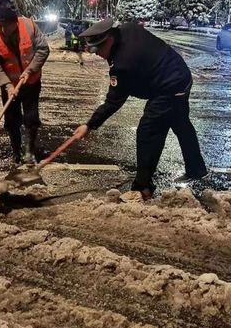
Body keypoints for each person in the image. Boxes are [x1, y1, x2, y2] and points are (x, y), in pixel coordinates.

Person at [72, 17, 208, 200]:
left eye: (98, 49)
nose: (96, 54)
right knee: (180, 123)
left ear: (110, 40)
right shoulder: (127, 29)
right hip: (180, 74)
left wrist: (89, 125)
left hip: (169, 86)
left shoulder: (122, 64)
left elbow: (113, 101)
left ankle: (142, 187)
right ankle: (196, 169)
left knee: (148, 131)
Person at [0, 0, 50, 164]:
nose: (3, 29)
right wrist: (7, 85)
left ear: (15, 21)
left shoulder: (29, 27)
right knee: (12, 120)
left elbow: (43, 49)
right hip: (9, 86)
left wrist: (30, 70)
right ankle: (16, 151)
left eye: (6, 25)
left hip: (30, 83)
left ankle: (29, 151)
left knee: (31, 118)